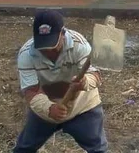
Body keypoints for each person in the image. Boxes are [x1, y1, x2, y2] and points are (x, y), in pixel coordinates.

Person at [14, 9, 107, 153]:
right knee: (24, 149)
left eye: (52, 45)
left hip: (82, 107)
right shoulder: (26, 54)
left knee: (98, 150)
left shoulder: (79, 45)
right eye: (43, 47)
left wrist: (84, 82)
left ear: (63, 34)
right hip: (46, 106)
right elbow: (31, 91)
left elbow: (95, 75)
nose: (48, 52)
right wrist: (49, 109)